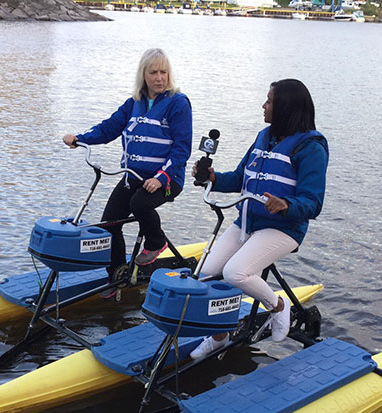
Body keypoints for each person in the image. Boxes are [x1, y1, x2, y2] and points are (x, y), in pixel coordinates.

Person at [190, 78, 328, 359]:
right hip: (248, 223)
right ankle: (219, 335)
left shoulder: (311, 148)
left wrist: (286, 205)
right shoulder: (264, 137)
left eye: (269, 101)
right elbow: (241, 178)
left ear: (286, 108)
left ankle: (278, 306)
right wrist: (214, 179)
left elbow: (313, 202)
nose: (263, 106)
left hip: (284, 228)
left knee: (235, 272)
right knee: (207, 272)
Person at [63, 48, 192, 298]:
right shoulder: (134, 102)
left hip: (167, 179)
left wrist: (160, 178)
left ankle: (156, 242)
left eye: (164, 72)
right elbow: (109, 128)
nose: (159, 78)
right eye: (153, 72)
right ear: (143, 74)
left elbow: (181, 149)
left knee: (140, 203)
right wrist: (80, 139)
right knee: (110, 224)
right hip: (133, 176)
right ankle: (116, 277)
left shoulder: (178, 103)